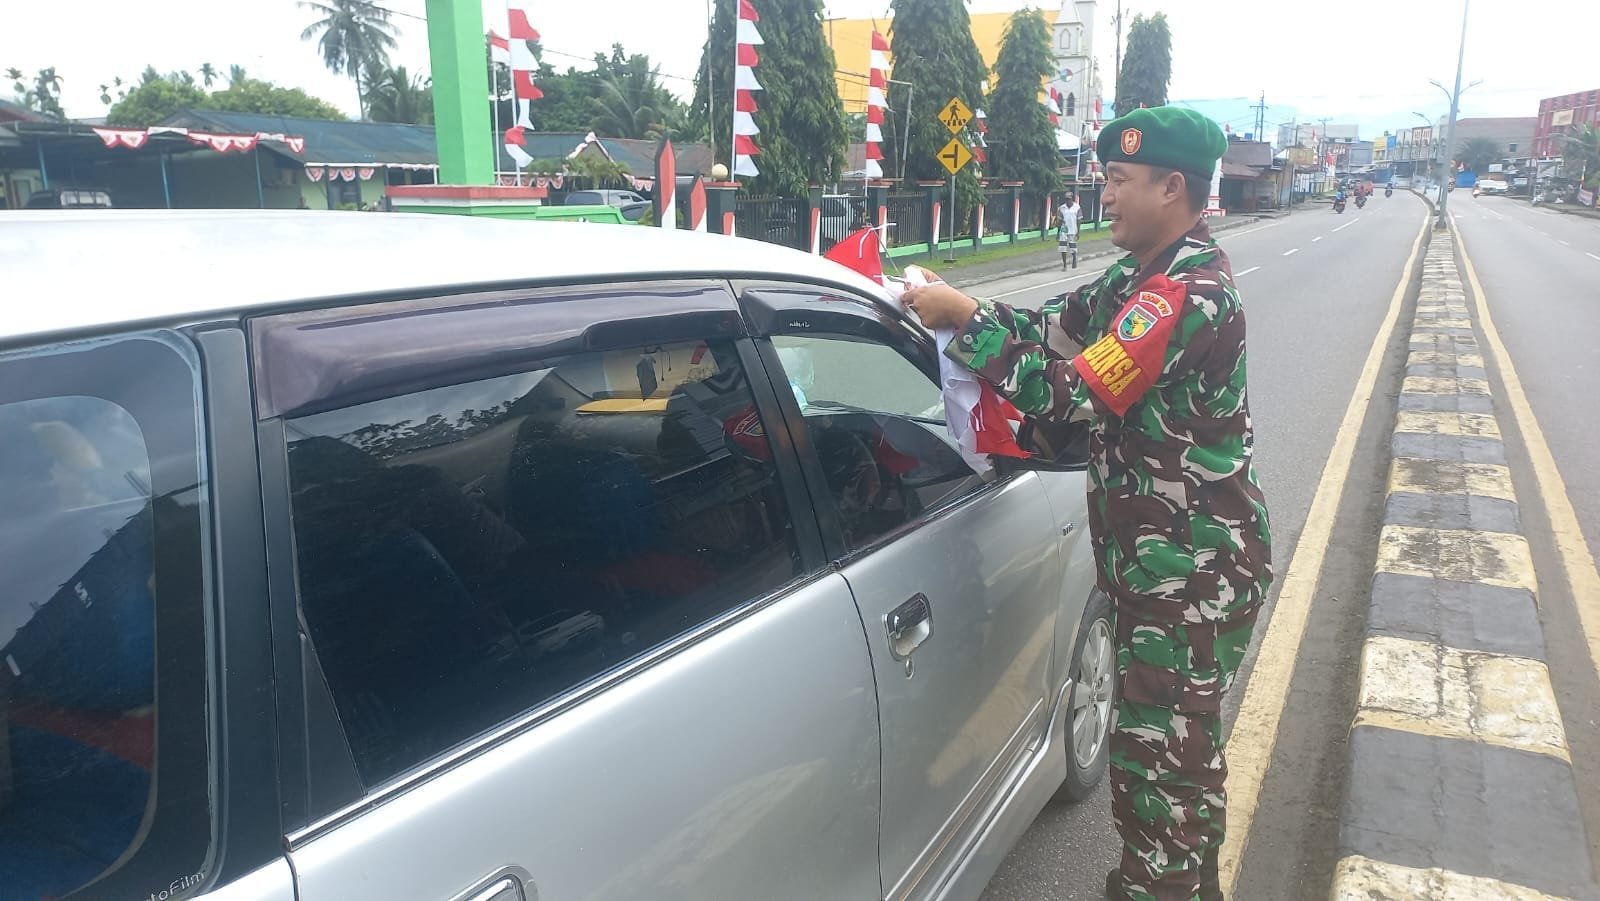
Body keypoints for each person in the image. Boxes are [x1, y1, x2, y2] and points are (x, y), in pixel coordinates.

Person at [901, 106, 1273, 901]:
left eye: (1119, 180)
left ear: (1172, 187)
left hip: (1190, 580)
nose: (1103, 193)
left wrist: (966, 324)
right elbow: (1052, 326)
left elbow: (1069, 394)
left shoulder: (1183, 294)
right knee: (1180, 765)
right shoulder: (1138, 277)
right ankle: (1187, 885)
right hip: (1167, 570)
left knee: (1156, 774)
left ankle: (1160, 890)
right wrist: (961, 304)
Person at [1057, 192, 1083, 270]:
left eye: (1069, 199)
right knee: (1062, 247)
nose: (1068, 201)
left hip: (1073, 229)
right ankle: (1064, 265)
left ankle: (1074, 258)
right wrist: (1058, 233)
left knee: (1073, 247)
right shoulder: (1062, 208)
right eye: (1066, 199)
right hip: (1064, 230)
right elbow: (1059, 221)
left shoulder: (1077, 207)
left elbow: (1079, 220)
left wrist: (1078, 232)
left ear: (1072, 199)